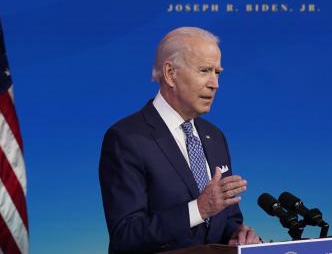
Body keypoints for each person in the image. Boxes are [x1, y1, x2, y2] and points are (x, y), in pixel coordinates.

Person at [99, 27, 261, 253]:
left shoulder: (214, 136)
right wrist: (198, 210)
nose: (215, 84)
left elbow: (227, 220)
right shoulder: (126, 138)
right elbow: (125, 235)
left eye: (218, 72)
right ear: (170, 73)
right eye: (204, 70)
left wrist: (239, 235)